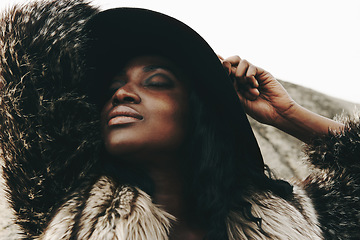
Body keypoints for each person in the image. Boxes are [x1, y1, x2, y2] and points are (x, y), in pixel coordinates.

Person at [0, 1, 359, 240]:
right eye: (111, 87)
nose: (121, 93)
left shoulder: (298, 218)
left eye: (155, 81)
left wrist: (289, 115)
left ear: (198, 112)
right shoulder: (66, 211)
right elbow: (25, 62)